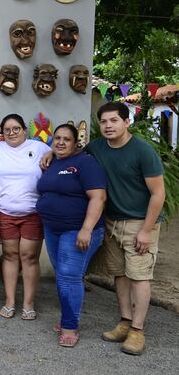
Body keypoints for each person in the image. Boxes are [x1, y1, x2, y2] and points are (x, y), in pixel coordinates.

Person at [43, 102, 165, 355]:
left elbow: (158, 193)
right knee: (119, 274)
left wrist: (146, 229)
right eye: (104, 122)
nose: (108, 126)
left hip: (140, 222)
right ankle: (124, 320)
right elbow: (69, 151)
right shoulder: (97, 148)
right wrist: (50, 153)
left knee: (139, 276)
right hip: (112, 221)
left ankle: (137, 331)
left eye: (114, 121)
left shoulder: (142, 151)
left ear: (126, 122)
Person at [36, 124, 106, 348]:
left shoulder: (86, 163)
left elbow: (98, 197)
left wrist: (86, 228)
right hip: (53, 228)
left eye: (67, 139)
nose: (61, 142)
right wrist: (50, 154)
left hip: (77, 229)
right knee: (62, 274)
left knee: (69, 276)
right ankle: (67, 316)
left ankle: (69, 327)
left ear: (76, 143)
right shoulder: (53, 161)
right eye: (57, 138)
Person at [0, 113, 50, 321]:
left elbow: (59, 154)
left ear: (24, 130)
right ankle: (10, 301)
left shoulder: (39, 148)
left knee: (29, 257)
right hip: (6, 212)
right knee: (10, 255)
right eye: (7, 130)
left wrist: (53, 154)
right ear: (2, 133)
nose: (11, 133)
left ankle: (28, 303)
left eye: (16, 128)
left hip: (33, 213)